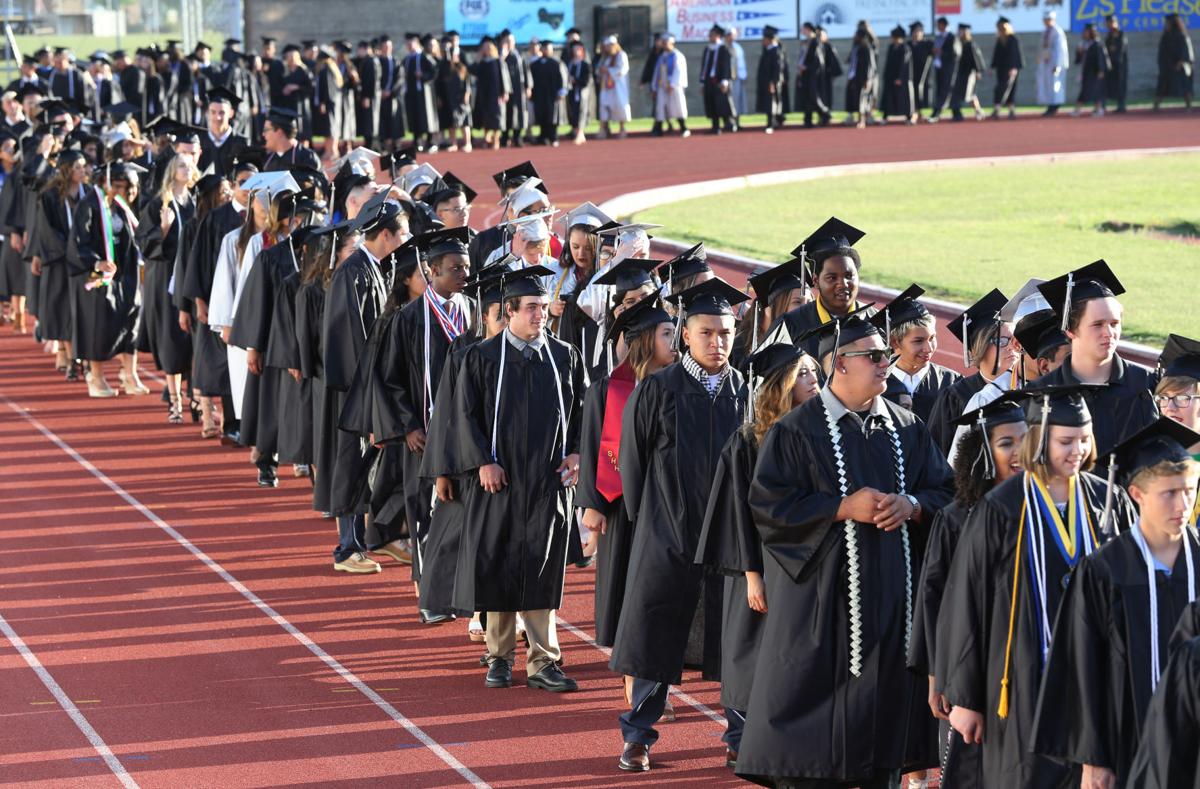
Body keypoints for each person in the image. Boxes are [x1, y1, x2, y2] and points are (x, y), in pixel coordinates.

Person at [737, 312, 953, 787]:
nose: (885, 364)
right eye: (874, 356)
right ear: (838, 363)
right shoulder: (796, 431)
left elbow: (947, 492)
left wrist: (912, 505)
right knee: (816, 747)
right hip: (823, 608)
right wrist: (841, 508)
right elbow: (769, 505)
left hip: (893, 606)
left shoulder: (907, 428)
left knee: (884, 742)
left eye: (887, 356)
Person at [938, 385, 1134, 787]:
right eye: (1066, 441)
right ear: (1039, 440)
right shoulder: (1002, 508)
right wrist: (965, 697)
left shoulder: (1107, 501)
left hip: (1093, 683)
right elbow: (967, 601)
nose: (1077, 450)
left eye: (1084, 438)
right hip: (1021, 675)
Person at [612, 278, 749, 773]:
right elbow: (634, 463)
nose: (718, 342)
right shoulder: (659, 388)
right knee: (655, 632)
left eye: (727, 333)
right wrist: (653, 523)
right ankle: (638, 736)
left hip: (731, 539)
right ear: (685, 335)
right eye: (707, 332)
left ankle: (740, 735)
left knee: (736, 636)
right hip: (666, 533)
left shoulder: (746, 392)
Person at [440, 264, 586, 693]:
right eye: (533, 308)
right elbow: (464, 417)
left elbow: (581, 413)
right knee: (499, 566)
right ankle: (499, 656)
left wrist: (576, 453)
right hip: (499, 484)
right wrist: (483, 460)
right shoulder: (483, 359)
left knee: (542, 570)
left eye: (544, 308)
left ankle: (544, 661)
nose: (542, 315)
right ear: (509, 311)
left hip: (546, 483)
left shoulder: (564, 356)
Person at [1033, 417, 1200, 787]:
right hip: (1129, 741)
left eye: (1189, 490)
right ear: (1137, 495)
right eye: (1169, 493)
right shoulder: (1104, 570)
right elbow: (1082, 668)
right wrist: (1093, 758)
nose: (1183, 504)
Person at [697, 338, 820, 770]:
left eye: (814, 372)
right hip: (757, 562)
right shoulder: (747, 442)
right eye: (803, 374)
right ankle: (739, 734)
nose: (814, 381)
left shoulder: (818, 435)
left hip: (801, 565)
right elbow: (737, 514)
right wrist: (752, 573)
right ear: (780, 384)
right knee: (747, 650)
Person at [910, 394, 1028, 789]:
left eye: (1025, 440)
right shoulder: (957, 518)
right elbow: (933, 598)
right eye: (1005, 443)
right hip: (967, 668)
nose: (1017, 452)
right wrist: (935, 676)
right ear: (983, 452)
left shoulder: (1042, 511)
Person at [578, 294, 677, 661]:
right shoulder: (607, 389)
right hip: (621, 505)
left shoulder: (677, 389)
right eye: (667, 333)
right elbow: (591, 447)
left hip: (666, 504)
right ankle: (631, 667)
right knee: (623, 583)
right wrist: (593, 503)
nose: (676, 340)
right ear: (645, 340)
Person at [323, 198, 409, 573]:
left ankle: (371, 537)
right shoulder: (353, 272)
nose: (408, 238)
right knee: (352, 463)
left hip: (371, 386)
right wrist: (368, 391)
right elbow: (350, 339)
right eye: (403, 232)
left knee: (369, 463)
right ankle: (347, 547)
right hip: (355, 389)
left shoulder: (376, 268)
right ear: (386, 234)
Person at [1034, 260, 1158, 472]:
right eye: (1097, 324)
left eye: (1114, 324)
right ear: (1070, 330)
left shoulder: (1146, 383)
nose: (1109, 333)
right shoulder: (1042, 394)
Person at [66, 161, 144, 398]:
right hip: (96, 274)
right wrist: (96, 262)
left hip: (123, 271)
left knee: (131, 320)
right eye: (123, 187)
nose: (129, 193)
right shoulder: (89, 205)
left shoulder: (120, 206)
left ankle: (129, 375)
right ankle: (96, 377)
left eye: (131, 188)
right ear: (107, 182)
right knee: (98, 325)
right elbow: (78, 241)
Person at [136, 153, 198, 421]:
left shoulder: (195, 203)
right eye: (182, 165)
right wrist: (163, 228)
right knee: (171, 339)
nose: (186, 169)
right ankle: (174, 401)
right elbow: (145, 244)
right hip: (165, 279)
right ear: (172, 170)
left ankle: (196, 396)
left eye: (189, 165)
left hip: (191, 279)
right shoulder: (158, 204)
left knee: (194, 341)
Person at [926, 288, 1014, 456]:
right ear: (977, 349)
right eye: (1001, 341)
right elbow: (938, 456)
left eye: (1014, 340)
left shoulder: (1027, 388)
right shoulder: (956, 397)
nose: (1012, 348)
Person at [774, 216, 870, 359]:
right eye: (832, 278)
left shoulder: (875, 319)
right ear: (816, 280)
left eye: (849, 276)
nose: (843, 284)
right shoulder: (791, 325)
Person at [29, 149, 86, 379]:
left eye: (84, 167)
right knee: (63, 311)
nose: (83, 171)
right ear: (66, 170)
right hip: (60, 261)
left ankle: (75, 357)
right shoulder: (50, 196)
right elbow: (46, 230)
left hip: (83, 261)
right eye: (78, 167)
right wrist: (68, 251)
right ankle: (71, 357)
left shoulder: (90, 193)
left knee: (79, 312)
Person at [876, 284, 961, 422]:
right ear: (894, 342)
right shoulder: (876, 383)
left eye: (932, 338)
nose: (928, 348)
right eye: (918, 341)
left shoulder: (951, 382)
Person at [198, 87, 248, 177]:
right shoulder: (199, 141)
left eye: (222, 113)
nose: (217, 117)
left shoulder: (242, 142)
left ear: (231, 113)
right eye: (213, 112)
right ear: (207, 113)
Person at [404, 34, 440, 153]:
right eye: (407, 43)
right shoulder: (407, 59)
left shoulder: (424, 56)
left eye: (411, 43)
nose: (409, 45)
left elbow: (434, 71)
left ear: (417, 43)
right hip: (411, 92)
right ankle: (417, 141)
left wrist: (423, 76)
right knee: (414, 117)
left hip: (424, 94)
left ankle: (430, 142)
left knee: (426, 117)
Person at [700, 25, 736, 135]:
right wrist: (702, 82)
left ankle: (729, 123)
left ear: (718, 36)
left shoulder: (724, 48)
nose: (710, 37)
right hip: (708, 81)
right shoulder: (707, 49)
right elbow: (704, 66)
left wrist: (725, 81)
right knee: (711, 103)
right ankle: (715, 126)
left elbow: (726, 66)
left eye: (712, 35)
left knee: (722, 104)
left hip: (720, 82)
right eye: (709, 35)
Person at [470, 37, 505, 151]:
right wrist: (477, 60)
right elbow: (473, 71)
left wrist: (504, 92)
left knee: (496, 117)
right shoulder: (482, 62)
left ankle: (496, 139)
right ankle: (486, 138)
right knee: (485, 116)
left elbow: (502, 78)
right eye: (484, 48)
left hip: (495, 93)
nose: (486, 49)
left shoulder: (497, 61)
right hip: (483, 93)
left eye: (488, 47)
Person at [530, 42, 567, 147]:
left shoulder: (556, 63)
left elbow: (563, 78)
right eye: (544, 48)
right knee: (541, 115)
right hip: (539, 94)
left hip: (552, 94)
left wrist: (562, 91)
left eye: (548, 48)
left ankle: (553, 136)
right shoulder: (535, 65)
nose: (546, 50)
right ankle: (543, 136)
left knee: (552, 116)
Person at [1154, 13, 1194, 111]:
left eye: (1168, 23)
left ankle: (1188, 105)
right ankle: (1156, 105)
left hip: (1179, 66)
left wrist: (1181, 62)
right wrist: (1162, 64)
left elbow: (1186, 52)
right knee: (1162, 86)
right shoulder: (1165, 37)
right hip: (1167, 66)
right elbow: (1161, 52)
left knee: (1184, 86)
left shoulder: (1182, 36)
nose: (1166, 25)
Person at [652, 34, 689, 137]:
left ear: (672, 43)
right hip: (662, 86)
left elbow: (679, 71)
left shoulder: (677, 56)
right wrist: (654, 87)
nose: (664, 45)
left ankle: (683, 127)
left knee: (678, 106)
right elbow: (657, 72)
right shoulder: (662, 57)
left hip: (674, 87)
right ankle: (659, 128)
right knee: (660, 106)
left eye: (666, 43)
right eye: (663, 43)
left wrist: (672, 85)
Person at [500, 31, 532, 148]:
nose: (510, 43)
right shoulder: (501, 56)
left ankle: (517, 137)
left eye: (512, 41)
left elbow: (526, 71)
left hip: (519, 89)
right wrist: (502, 57)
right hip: (506, 90)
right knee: (507, 114)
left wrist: (528, 86)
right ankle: (504, 137)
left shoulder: (519, 55)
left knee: (520, 113)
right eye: (507, 41)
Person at [797, 23, 832, 127]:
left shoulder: (815, 42)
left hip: (812, 76)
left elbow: (818, 61)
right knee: (807, 97)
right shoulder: (807, 42)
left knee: (813, 97)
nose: (801, 31)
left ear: (807, 29)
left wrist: (806, 67)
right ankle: (808, 120)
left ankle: (825, 114)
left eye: (803, 29)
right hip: (806, 75)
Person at [596, 36, 631, 139]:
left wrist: (608, 70)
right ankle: (603, 129)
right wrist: (600, 72)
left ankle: (622, 128)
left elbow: (622, 69)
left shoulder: (621, 55)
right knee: (604, 106)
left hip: (618, 87)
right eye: (606, 46)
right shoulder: (605, 58)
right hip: (606, 87)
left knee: (620, 106)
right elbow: (598, 69)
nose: (608, 48)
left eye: (610, 46)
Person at [881, 26, 916, 125]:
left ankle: (909, 116)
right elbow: (888, 63)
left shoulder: (905, 48)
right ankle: (886, 116)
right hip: (890, 77)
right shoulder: (891, 47)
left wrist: (899, 78)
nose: (893, 39)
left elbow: (903, 64)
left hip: (902, 78)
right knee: (889, 98)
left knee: (904, 98)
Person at [951, 23, 986, 122]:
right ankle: (960, 114)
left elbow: (976, 59)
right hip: (960, 72)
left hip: (969, 73)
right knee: (962, 94)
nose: (959, 33)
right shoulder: (958, 43)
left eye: (961, 31)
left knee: (969, 94)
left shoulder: (971, 44)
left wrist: (978, 71)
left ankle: (978, 111)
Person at [1073, 23, 1110, 117]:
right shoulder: (1083, 44)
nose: (1084, 34)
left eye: (1087, 32)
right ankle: (1079, 109)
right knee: (1085, 91)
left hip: (1095, 72)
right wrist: (1079, 52)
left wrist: (1101, 70)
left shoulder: (1097, 44)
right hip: (1086, 72)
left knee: (1095, 91)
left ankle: (1098, 109)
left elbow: (1101, 58)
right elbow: (1078, 60)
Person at [1037, 11, 1069, 116]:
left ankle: (1055, 105)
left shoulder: (1057, 32)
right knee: (1047, 84)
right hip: (1046, 62)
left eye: (1049, 20)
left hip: (1055, 63)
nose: (1046, 22)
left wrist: (1058, 64)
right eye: (1045, 20)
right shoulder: (1045, 32)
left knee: (1056, 84)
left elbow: (1061, 50)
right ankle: (1050, 105)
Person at [844, 27, 878, 128]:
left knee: (862, 99)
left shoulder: (866, 48)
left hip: (863, 78)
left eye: (856, 35)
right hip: (853, 76)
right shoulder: (856, 47)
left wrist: (867, 79)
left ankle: (862, 120)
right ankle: (856, 118)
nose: (854, 37)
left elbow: (869, 65)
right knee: (854, 99)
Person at [991, 17, 1024, 120]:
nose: (1001, 29)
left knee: (1010, 89)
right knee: (1000, 88)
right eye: (999, 27)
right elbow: (996, 55)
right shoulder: (999, 39)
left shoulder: (1013, 39)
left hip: (1011, 69)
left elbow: (1015, 55)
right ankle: (997, 109)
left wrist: (1014, 68)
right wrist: (992, 67)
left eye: (1003, 27)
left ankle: (1010, 110)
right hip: (1001, 68)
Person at [756, 26, 786, 133]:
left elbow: (778, 69)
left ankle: (771, 123)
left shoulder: (776, 51)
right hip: (765, 82)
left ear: (770, 39)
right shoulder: (767, 50)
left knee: (772, 102)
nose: (762, 41)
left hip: (772, 82)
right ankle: (778, 119)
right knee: (768, 102)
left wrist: (773, 82)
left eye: (764, 39)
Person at [930, 17, 959, 121]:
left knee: (948, 89)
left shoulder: (952, 37)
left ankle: (939, 112)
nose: (937, 27)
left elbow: (955, 53)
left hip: (949, 68)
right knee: (940, 89)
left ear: (943, 25)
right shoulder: (937, 37)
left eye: (939, 24)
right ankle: (953, 113)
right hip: (939, 67)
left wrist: (942, 53)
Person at [563, 41, 591, 146]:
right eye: (574, 49)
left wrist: (575, 80)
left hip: (581, 93)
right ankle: (576, 131)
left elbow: (586, 81)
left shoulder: (585, 65)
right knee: (572, 112)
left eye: (578, 49)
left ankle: (580, 133)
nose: (576, 51)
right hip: (570, 92)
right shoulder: (569, 64)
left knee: (581, 111)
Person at [1104, 15, 1129, 113]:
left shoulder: (1121, 34)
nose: (1107, 25)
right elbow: (1107, 48)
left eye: (1108, 23)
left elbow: (1120, 49)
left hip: (1120, 64)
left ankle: (1121, 105)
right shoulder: (1109, 35)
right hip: (1111, 64)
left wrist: (1113, 50)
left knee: (1120, 84)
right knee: (1111, 84)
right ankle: (1109, 104)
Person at [909, 22, 934, 119]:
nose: (918, 33)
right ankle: (915, 112)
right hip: (910, 73)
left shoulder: (927, 44)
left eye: (920, 31)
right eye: (916, 31)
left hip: (923, 73)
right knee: (911, 92)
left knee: (921, 93)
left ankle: (918, 112)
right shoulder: (908, 45)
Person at [725, 27, 748, 117]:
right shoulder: (723, 47)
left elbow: (742, 63)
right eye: (730, 35)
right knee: (728, 100)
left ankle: (736, 120)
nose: (732, 37)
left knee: (737, 100)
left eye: (733, 35)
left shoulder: (738, 47)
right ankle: (729, 120)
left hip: (738, 77)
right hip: (727, 78)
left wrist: (744, 75)